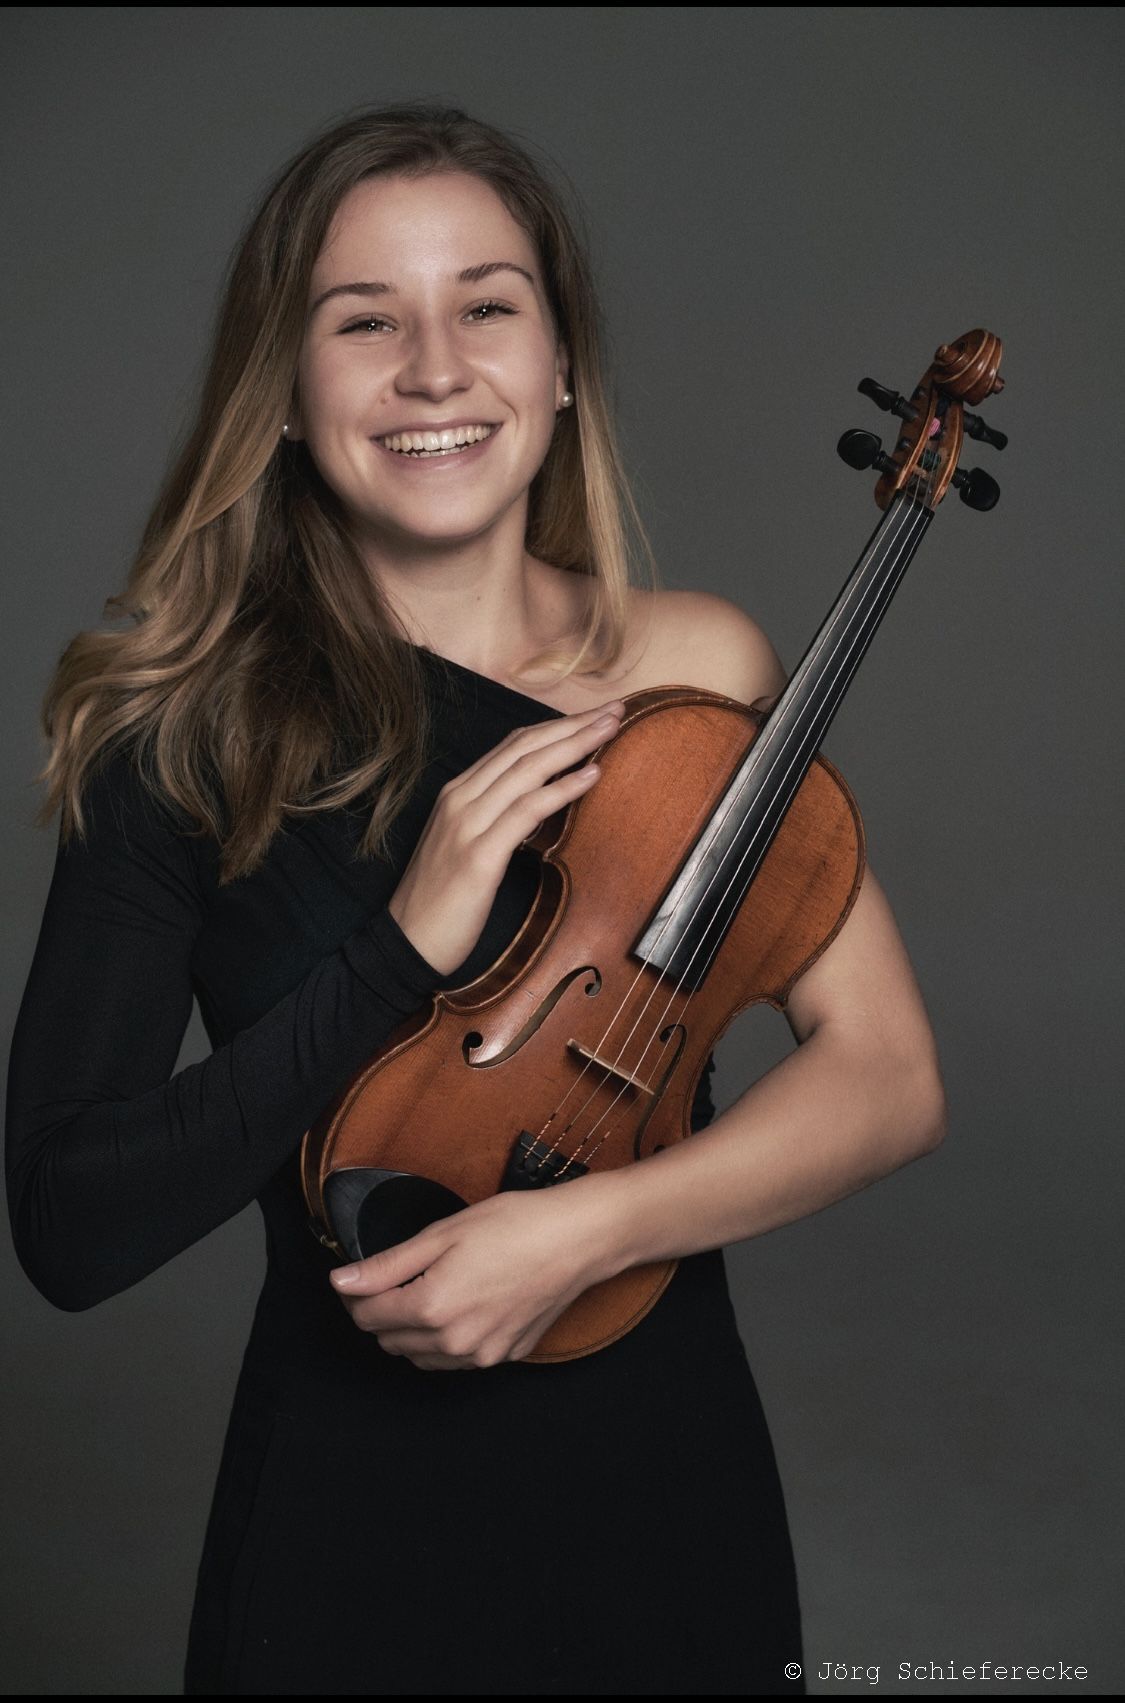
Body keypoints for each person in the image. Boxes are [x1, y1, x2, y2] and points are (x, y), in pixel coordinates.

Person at [4, 102, 946, 1696]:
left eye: (486, 307)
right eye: (364, 320)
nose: (434, 369)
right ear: (282, 390)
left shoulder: (696, 675)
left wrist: (583, 1232)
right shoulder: (178, 740)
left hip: (668, 1499)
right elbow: (71, 1228)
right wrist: (398, 949)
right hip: (343, 1533)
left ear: (560, 364)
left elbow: (887, 1077)